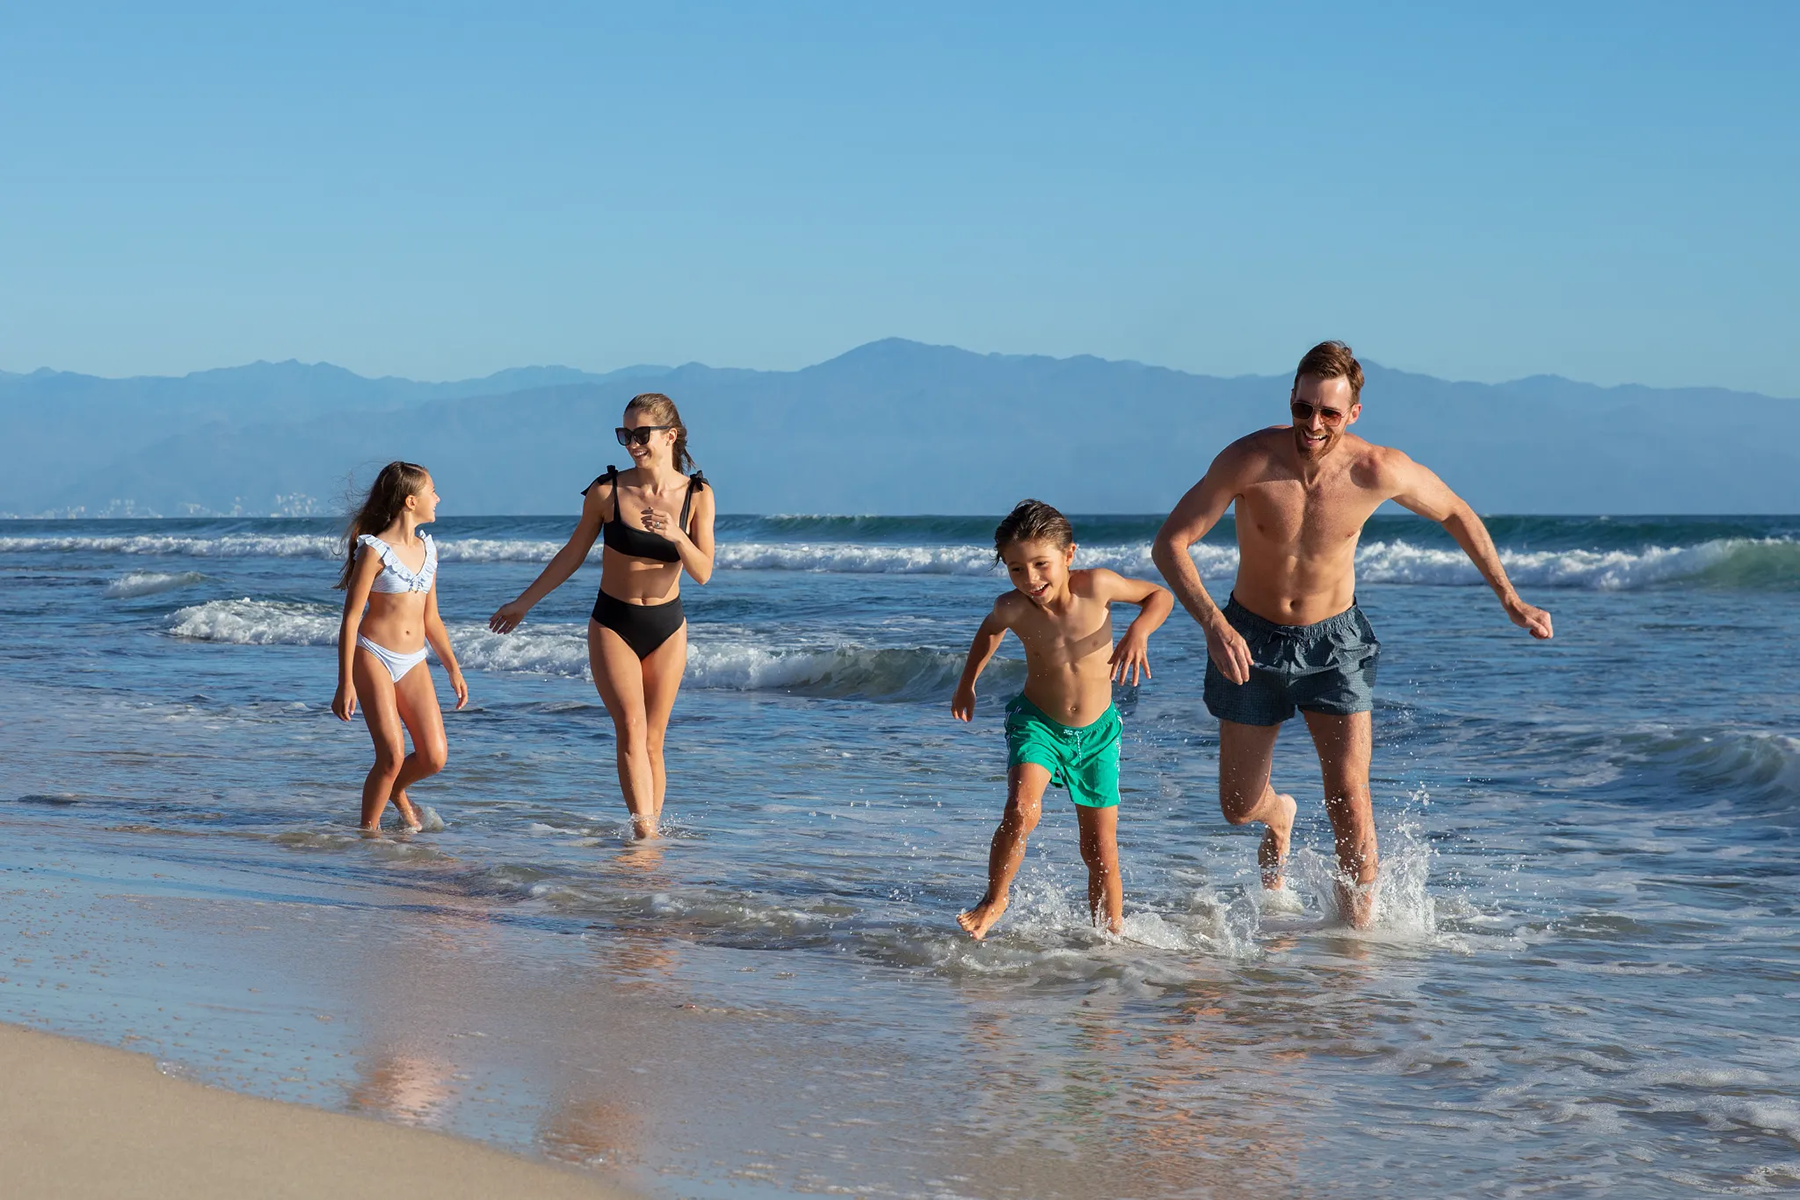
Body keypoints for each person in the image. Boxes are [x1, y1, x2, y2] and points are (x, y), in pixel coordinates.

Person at [1152, 341, 1553, 927]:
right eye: (1303, 408)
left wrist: (1510, 598)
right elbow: (1170, 543)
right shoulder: (1248, 460)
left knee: (1349, 798)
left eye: (1329, 413)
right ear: (1290, 399)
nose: (1313, 425)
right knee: (1238, 806)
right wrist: (1213, 623)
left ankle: (1354, 951)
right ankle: (1279, 815)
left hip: (1335, 646)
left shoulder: (1376, 469)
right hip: (1247, 639)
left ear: (1354, 413)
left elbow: (1455, 512)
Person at [488, 394, 716, 840]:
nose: (632, 444)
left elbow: (703, 572)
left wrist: (676, 535)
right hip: (614, 622)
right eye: (624, 435)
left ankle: (650, 834)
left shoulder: (697, 495)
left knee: (654, 738)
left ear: (670, 435)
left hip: (668, 626)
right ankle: (644, 837)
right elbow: (571, 555)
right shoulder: (606, 491)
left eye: (641, 434)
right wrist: (523, 603)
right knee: (630, 727)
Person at [952, 500, 1174, 939]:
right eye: (1016, 569)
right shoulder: (1012, 607)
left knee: (1100, 849)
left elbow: (1159, 595)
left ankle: (1109, 941)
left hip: (1097, 733)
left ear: (1069, 555)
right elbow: (990, 630)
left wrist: (1140, 630)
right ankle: (995, 899)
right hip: (1037, 723)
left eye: (1041, 564)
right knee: (1021, 809)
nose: (1030, 579)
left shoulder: (1097, 586)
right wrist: (967, 683)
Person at [332, 461, 468, 832]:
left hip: (413, 661)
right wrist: (345, 683)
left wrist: (453, 667)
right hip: (373, 656)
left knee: (434, 756)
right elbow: (350, 619)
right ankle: (368, 835)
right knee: (391, 756)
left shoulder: (428, 549)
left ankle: (395, 791)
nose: (438, 498)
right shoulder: (373, 551)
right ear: (411, 501)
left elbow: (431, 618)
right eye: (432, 492)